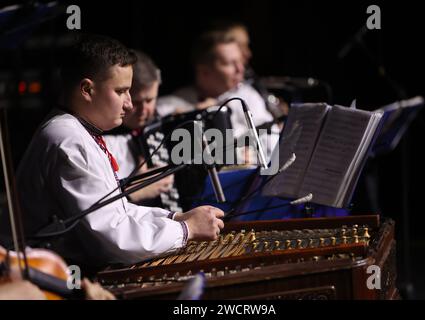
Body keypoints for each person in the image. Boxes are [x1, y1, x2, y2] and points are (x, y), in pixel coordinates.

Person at [11, 34, 224, 273]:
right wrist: (187, 230)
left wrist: (175, 218)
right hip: (58, 280)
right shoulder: (68, 140)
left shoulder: (78, 131)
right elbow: (114, 239)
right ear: (87, 89)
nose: (129, 104)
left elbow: (117, 210)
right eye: (121, 91)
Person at [157, 31, 280, 161]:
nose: (240, 69)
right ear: (204, 72)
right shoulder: (172, 105)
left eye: (240, 61)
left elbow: (273, 143)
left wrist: (251, 155)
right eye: (230, 63)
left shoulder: (247, 95)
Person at [104, 50, 182, 212]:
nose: (144, 110)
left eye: (150, 100)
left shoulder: (169, 116)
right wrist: (132, 191)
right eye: (137, 102)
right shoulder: (105, 142)